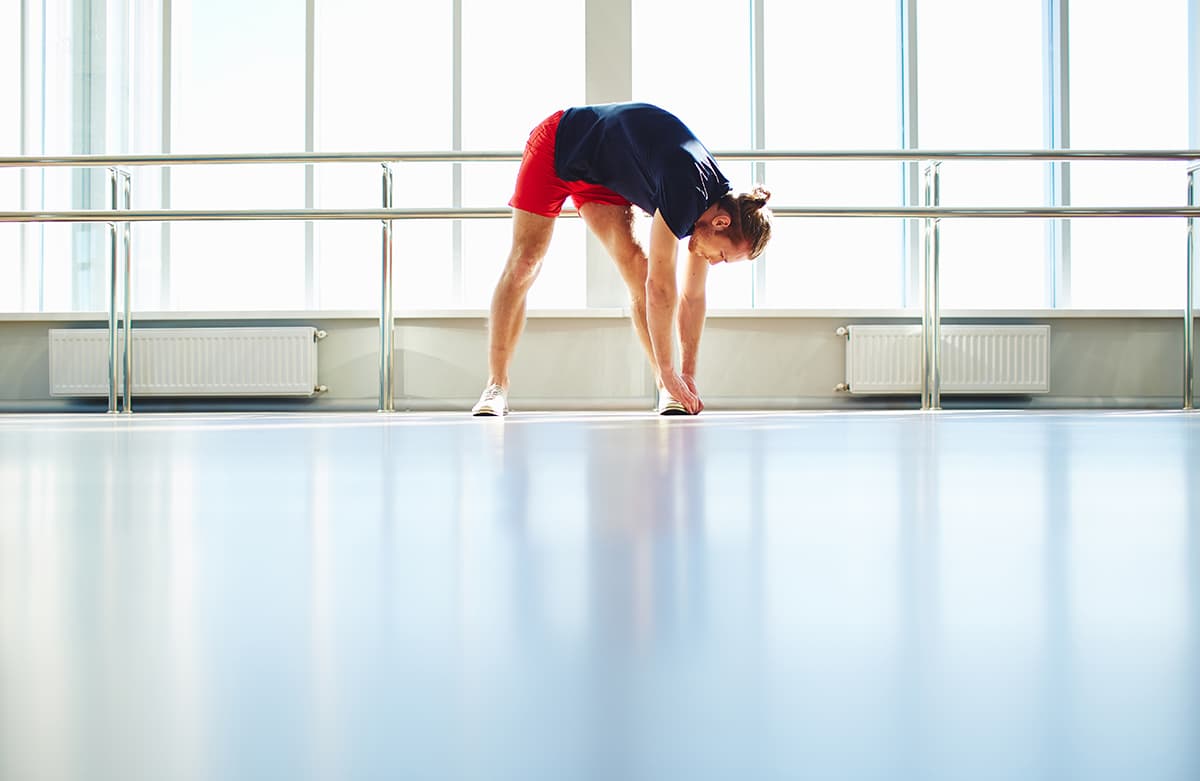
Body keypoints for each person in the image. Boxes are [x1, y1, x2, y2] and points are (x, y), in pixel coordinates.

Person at [471, 102, 773, 417]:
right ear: (721, 224)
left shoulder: (715, 207)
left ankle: (664, 387)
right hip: (559, 145)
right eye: (723, 256)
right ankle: (496, 385)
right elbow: (660, 288)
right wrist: (673, 370)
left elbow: (692, 297)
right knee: (524, 263)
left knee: (637, 267)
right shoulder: (686, 192)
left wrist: (687, 375)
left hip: (603, 177)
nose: (714, 263)